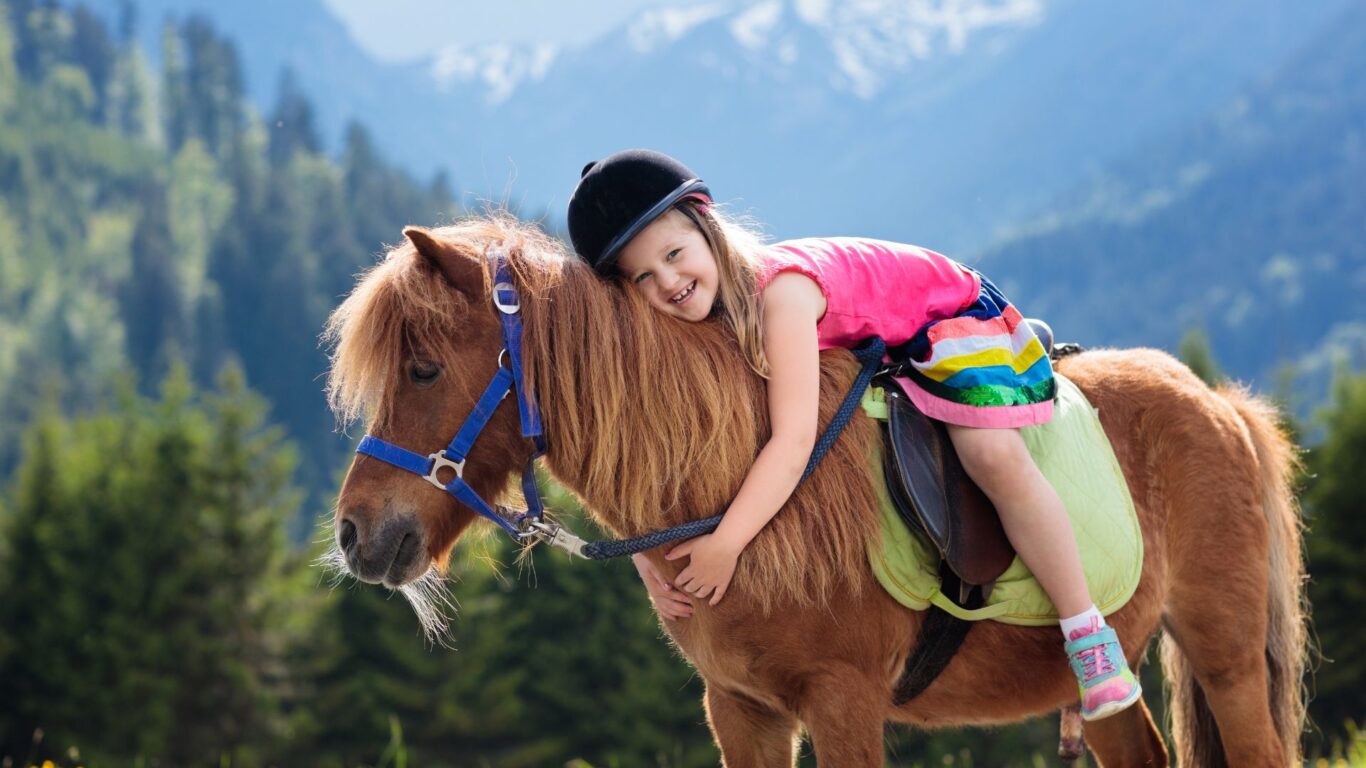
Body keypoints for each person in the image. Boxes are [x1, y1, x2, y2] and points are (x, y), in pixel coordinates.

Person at [565, 149, 1141, 721]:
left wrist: (726, 545)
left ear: (707, 230)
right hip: (886, 342)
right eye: (643, 276)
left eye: (673, 254)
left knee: (990, 455)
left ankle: (1086, 633)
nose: (668, 282)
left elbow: (792, 444)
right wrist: (646, 556)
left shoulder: (779, 297)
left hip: (946, 320)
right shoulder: (694, 313)